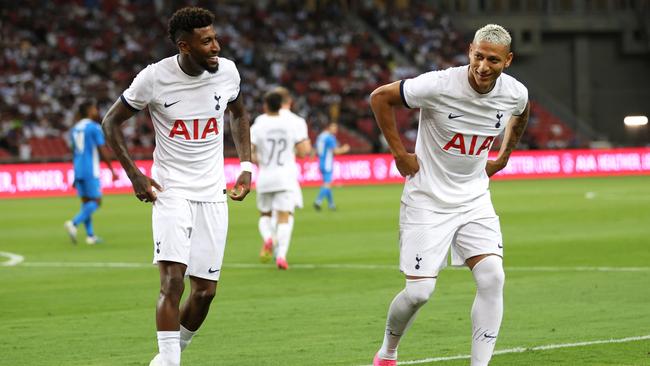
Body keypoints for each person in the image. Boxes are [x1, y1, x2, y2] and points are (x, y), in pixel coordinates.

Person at [368, 24, 529, 366]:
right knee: (418, 293)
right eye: (478, 56)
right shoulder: (439, 84)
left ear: (508, 60)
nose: (483, 66)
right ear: (470, 50)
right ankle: (387, 353)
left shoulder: (515, 93)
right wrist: (399, 154)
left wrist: (503, 157)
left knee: (493, 277)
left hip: (474, 200)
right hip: (427, 199)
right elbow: (380, 97)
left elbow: (522, 111)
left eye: (494, 60)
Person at [101, 7, 252, 366]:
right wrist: (134, 174)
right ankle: (171, 362)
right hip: (170, 191)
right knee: (172, 282)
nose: (216, 46)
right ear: (184, 46)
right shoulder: (154, 78)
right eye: (206, 41)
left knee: (205, 293)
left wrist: (245, 165)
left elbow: (239, 113)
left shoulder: (228, 72)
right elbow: (110, 123)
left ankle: (168, 356)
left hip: (213, 193)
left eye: (215, 38)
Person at [251, 90, 311, 270]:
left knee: (265, 215)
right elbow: (303, 151)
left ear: (265, 105)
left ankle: (269, 237)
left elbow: (250, 151)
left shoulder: (259, 124)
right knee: (285, 216)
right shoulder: (291, 124)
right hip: (286, 177)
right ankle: (281, 255)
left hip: (265, 176)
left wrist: (257, 158)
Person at [64, 99, 117, 245]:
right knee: (96, 202)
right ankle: (74, 223)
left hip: (79, 169)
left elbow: (74, 151)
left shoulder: (75, 129)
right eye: (94, 108)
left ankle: (90, 236)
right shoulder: (94, 127)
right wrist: (112, 169)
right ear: (88, 111)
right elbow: (102, 149)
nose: (96, 111)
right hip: (90, 169)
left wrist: (76, 172)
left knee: (86, 203)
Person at [313, 122, 349, 211]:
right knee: (327, 184)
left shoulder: (321, 136)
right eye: (334, 128)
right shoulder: (330, 138)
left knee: (328, 184)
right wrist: (344, 149)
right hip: (327, 163)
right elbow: (335, 151)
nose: (335, 130)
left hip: (321, 162)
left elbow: (315, 149)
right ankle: (318, 201)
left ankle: (331, 204)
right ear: (329, 128)